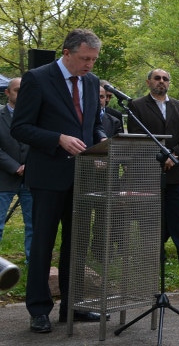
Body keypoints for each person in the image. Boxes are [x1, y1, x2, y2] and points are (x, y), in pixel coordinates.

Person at [12, 29, 107, 333]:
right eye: (84, 58)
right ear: (67, 53)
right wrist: (58, 139)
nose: (89, 65)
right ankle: (39, 309)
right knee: (42, 245)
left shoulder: (92, 82)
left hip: (83, 177)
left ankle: (74, 306)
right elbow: (21, 127)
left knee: (76, 245)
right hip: (48, 177)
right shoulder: (38, 78)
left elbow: (93, 125)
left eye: (93, 59)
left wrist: (102, 144)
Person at [128, 68, 179, 264]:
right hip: (149, 172)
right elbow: (137, 138)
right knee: (150, 217)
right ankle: (153, 255)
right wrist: (161, 157)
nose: (161, 81)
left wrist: (173, 155)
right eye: (157, 78)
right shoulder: (137, 106)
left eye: (165, 79)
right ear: (148, 82)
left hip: (175, 171)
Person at [0, 78, 32, 262]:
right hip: (3, 177)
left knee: (33, 225)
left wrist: (30, 165)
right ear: (8, 93)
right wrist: (15, 167)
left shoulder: (36, 116)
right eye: (18, 90)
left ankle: (32, 263)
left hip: (30, 177)